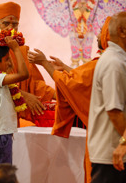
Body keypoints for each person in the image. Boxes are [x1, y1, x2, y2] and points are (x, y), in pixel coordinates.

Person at [0, 1, 55, 183]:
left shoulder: (20, 49)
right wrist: (22, 96)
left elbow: (34, 83)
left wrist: (59, 93)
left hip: (6, 113)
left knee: (5, 160)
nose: (10, 28)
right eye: (6, 23)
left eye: (14, 24)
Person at [27, 16, 111, 183]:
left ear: (111, 35)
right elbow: (84, 78)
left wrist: (45, 63)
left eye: (101, 31)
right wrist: (65, 68)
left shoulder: (106, 62)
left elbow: (71, 83)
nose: (96, 35)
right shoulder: (112, 60)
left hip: (105, 135)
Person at [87, 11, 126, 182]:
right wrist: (125, 141)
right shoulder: (113, 62)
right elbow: (114, 111)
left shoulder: (118, 59)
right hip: (112, 154)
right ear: (123, 31)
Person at [0, 36, 29, 166]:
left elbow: (15, 72)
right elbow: (24, 74)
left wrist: (10, 55)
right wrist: (16, 49)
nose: (9, 62)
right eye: (7, 59)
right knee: (3, 175)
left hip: (1, 132)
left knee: (3, 174)